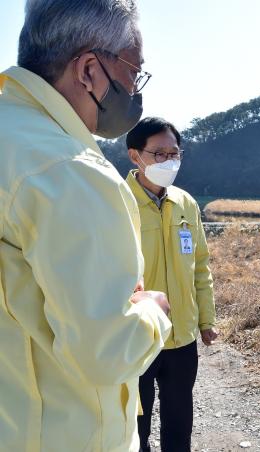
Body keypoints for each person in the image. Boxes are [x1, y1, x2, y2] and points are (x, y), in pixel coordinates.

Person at [0, 1, 172, 451]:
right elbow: (106, 351)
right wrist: (155, 312)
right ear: (90, 70)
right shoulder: (69, 169)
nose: (134, 91)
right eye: (134, 72)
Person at [125, 117, 218, 452]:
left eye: (174, 153)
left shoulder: (185, 203)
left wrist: (206, 320)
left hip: (181, 335)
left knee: (179, 421)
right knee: (135, 425)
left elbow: (200, 266)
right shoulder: (118, 202)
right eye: (159, 154)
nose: (168, 161)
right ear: (135, 155)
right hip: (137, 335)